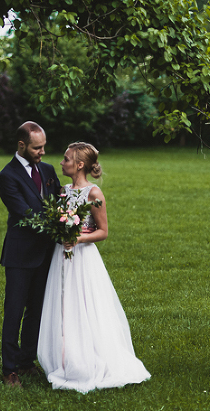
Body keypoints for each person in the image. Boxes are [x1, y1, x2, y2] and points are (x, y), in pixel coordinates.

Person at [37, 142, 150, 392]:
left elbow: (103, 231)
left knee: (84, 305)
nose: (61, 163)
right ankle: (65, 358)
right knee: (64, 305)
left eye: (66, 159)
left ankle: (89, 358)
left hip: (83, 257)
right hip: (61, 256)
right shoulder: (64, 191)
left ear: (79, 165)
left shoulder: (94, 193)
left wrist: (77, 238)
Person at [0, 121, 61, 388]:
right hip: (20, 254)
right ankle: (9, 369)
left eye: (44, 146)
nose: (42, 152)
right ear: (22, 145)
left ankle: (26, 361)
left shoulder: (48, 170)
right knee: (14, 311)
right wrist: (59, 226)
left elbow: (59, 202)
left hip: (46, 253)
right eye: (37, 148)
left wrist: (68, 219)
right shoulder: (7, 176)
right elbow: (25, 215)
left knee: (36, 310)